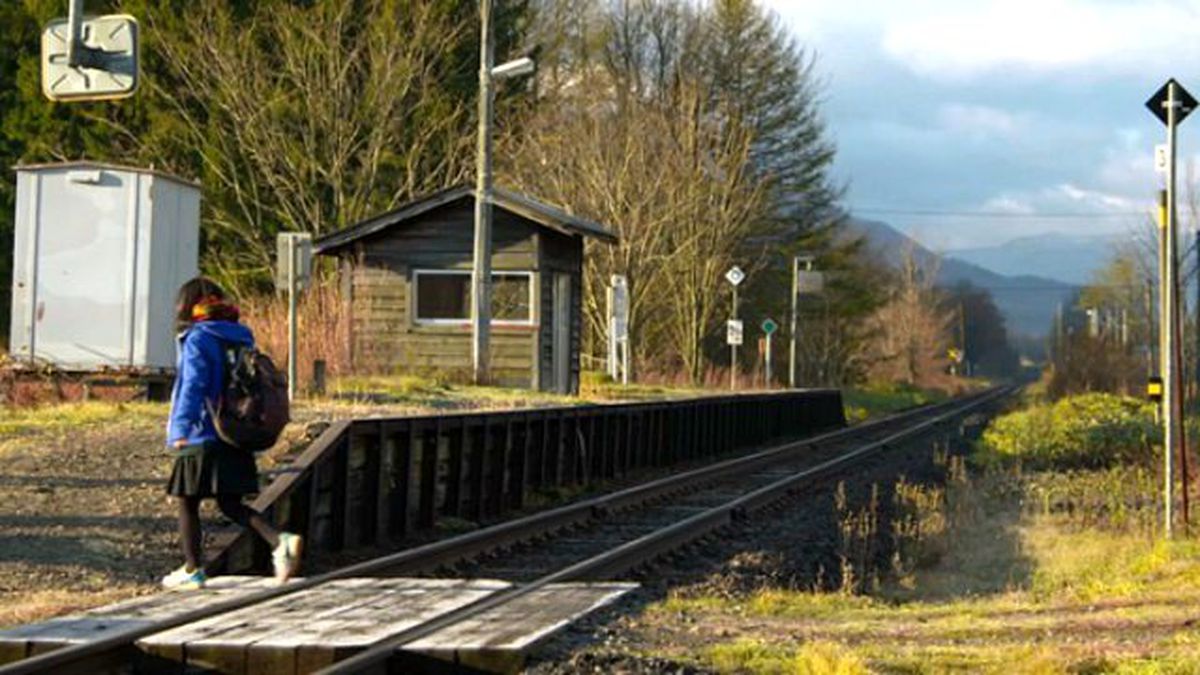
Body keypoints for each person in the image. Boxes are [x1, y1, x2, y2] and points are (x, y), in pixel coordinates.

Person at [162, 277, 302, 590]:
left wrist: (181, 427)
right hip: (236, 430)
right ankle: (279, 540)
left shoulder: (198, 338)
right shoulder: (241, 337)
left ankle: (192, 569)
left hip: (203, 432)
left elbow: (193, 385)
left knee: (186, 499)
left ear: (188, 305)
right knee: (231, 503)